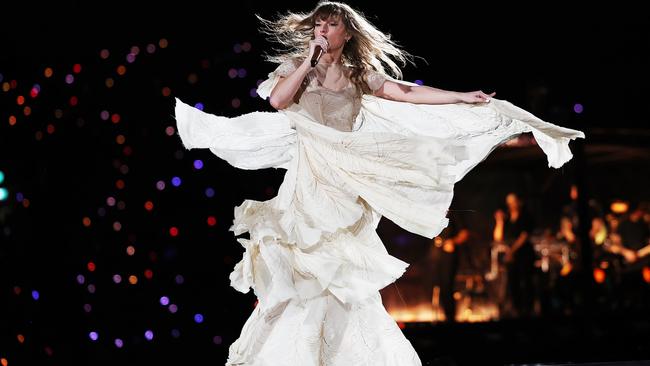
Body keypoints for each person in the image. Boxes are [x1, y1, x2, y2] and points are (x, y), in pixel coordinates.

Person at [173, 2, 585, 364]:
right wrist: (308, 61)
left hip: (344, 180)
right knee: (300, 269)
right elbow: (277, 102)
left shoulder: (358, 75)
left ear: (346, 32)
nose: (322, 30)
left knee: (338, 275)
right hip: (306, 179)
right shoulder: (296, 71)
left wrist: (461, 96)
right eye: (318, 24)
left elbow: (404, 91)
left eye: (331, 25)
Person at [493, 193, 536, 318]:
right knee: (513, 284)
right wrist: (499, 222)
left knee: (526, 283)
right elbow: (498, 238)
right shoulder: (507, 219)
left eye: (513, 201)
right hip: (511, 258)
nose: (511, 205)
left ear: (519, 202)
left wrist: (512, 251)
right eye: (509, 202)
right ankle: (516, 311)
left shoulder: (526, 216)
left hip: (524, 255)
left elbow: (524, 236)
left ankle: (528, 311)